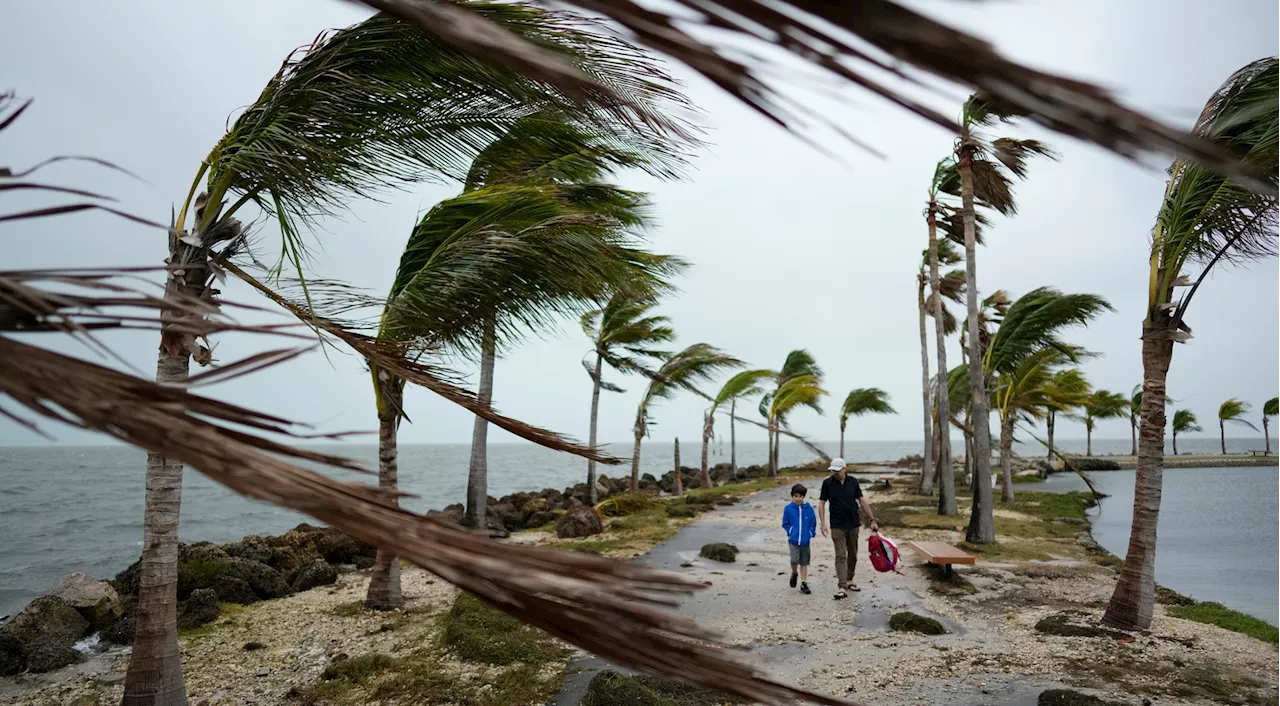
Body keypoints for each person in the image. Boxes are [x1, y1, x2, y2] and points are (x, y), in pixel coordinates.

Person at [818, 457, 879, 599]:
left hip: (853, 523)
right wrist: (822, 523)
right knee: (840, 555)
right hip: (837, 524)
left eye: (837, 470)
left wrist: (872, 520)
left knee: (853, 554)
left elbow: (862, 500)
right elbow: (821, 503)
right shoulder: (827, 483)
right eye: (833, 470)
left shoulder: (853, 482)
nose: (834, 473)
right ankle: (842, 586)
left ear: (845, 469)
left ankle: (850, 579)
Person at [781, 482, 816, 594]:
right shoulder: (788, 508)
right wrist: (790, 531)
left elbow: (813, 522)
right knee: (794, 560)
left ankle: (804, 583)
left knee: (804, 562)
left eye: (800, 496)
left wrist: (811, 532)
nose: (798, 498)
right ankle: (794, 573)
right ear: (792, 496)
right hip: (793, 540)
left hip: (805, 541)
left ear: (803, 497)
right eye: (796, 496)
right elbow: (785, 523)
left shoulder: (808, 508)